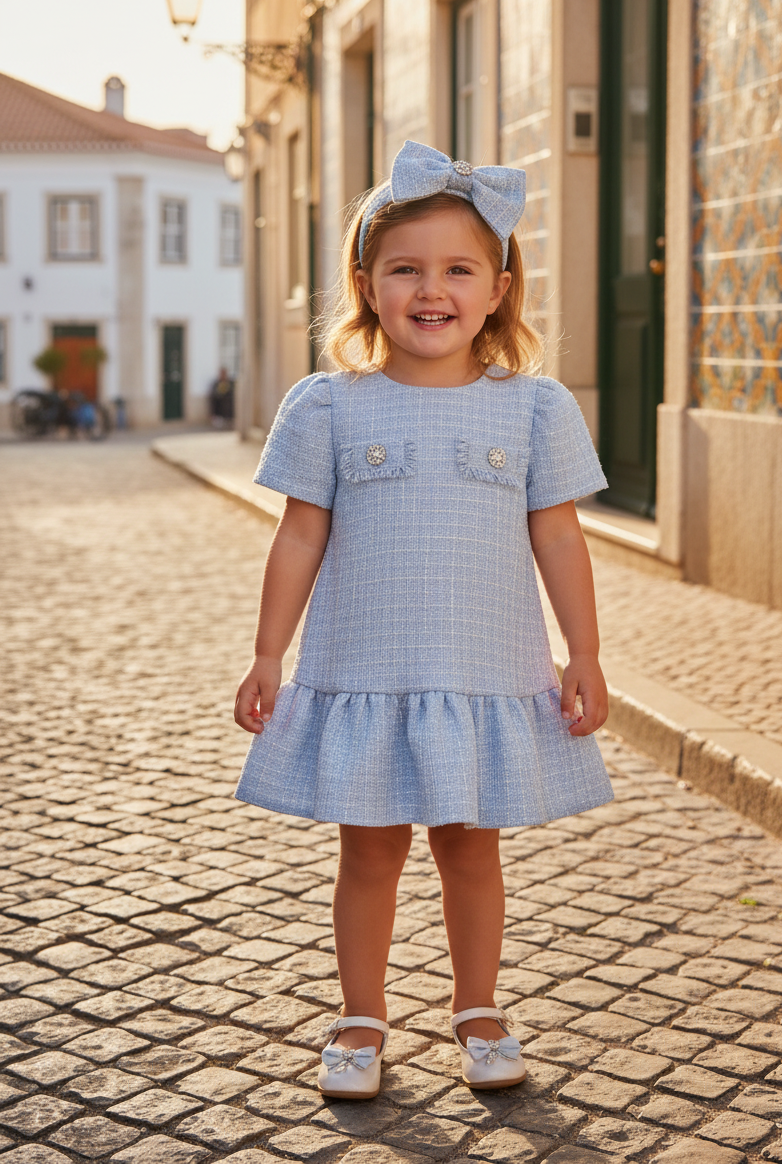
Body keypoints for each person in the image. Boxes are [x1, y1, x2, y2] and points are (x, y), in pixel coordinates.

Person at [233, 140, 613, 1099]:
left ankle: (477, 1007)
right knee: (368, 849)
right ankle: (360, 1016)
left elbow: (562, 542)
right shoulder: (324, 405)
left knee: (469, 843)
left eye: (457, 269)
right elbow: (298, 537)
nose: (430, 289)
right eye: (405, 269)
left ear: (497, 287)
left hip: (481, 668)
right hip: (367, 663)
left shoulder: (534, 409)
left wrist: (586, 654)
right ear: (366, 284)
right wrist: (267, 652)